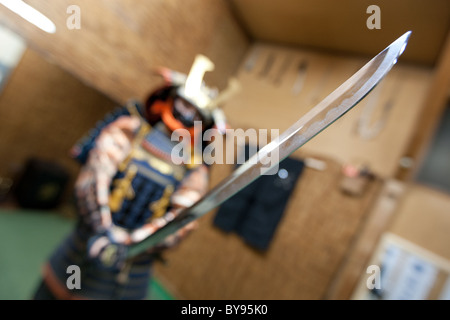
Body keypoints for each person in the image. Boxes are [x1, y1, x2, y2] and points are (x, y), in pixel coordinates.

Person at [33, 55, 237, 300]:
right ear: (170, 99)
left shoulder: (195, 168)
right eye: (184, 104)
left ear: (204, 123)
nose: (185, 114)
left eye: (195, 112)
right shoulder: (128, 131)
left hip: (131, 267)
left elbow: (180, 221)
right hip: (84, 242)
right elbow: (95, 176)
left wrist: (130, 241)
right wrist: (104, 227)